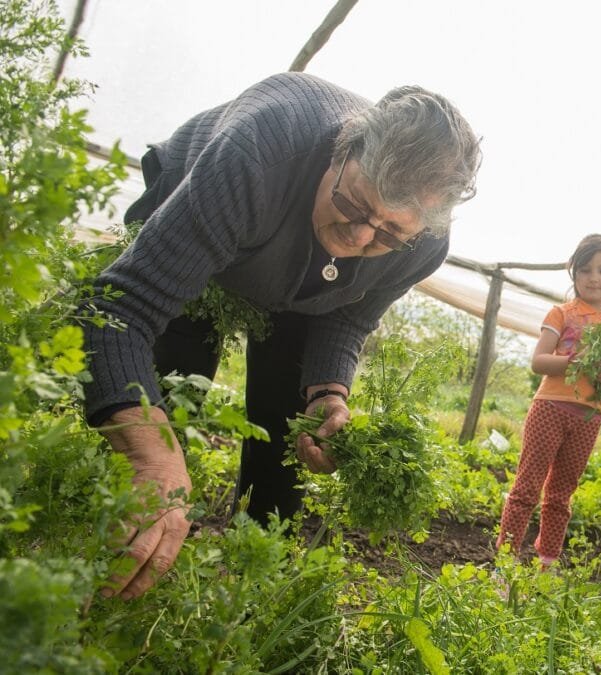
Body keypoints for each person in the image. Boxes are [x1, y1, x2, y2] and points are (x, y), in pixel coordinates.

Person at [82, 72, 481, 600]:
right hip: (206, 226)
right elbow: (121, 309)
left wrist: (328, 391)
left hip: (296, 277)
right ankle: (111, 563)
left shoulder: (422, 244)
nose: (359, 237)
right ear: (340, 153)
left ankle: (250, 589)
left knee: (287, 427)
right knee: (171, 395)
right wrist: (150, 450)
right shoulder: (258, 156)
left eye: (388, 233)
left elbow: (349, 316)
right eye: (355, 206)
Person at [496, 234, 601, 568]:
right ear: (573, 274)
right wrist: (575, 360)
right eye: (586, 269)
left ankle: (546, 563)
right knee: (526, 488)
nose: (594, 277)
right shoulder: (562, 313)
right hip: (549, 407)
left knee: (561, 495)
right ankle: (505, 562)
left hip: (589, 417)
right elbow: (538, 362)